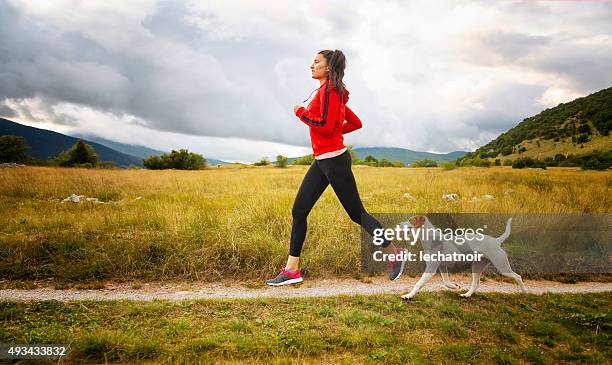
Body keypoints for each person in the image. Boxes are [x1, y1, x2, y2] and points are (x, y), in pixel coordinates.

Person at [266, 49, 406, 286]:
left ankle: (396, 253)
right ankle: (292, 270)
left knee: (357, 214)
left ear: (328, 67)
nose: (311, 65)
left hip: (335, 160)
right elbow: (352, 123)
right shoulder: (329, 93)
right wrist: (333, 130)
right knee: (299, 211)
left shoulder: (331, 91)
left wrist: (301, 113)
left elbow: (324, 125)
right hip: (322, 160)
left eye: (316, 62)